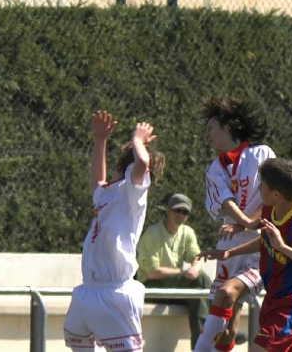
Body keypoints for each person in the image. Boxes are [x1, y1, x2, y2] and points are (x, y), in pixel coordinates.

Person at [198, 157, 292, 352]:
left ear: (276, 194)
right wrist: (230, 252)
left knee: (258, 349)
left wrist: (282, 247)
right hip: (274, 299)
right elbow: (266, 241)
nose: (259, 187)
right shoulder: (271, 208)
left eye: (263, 184)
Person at [63, 111, 166, 351]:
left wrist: (138, 140)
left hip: (114, 292)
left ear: (121, 167)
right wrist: (100, 141)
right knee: (80, 345)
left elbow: (141, 163)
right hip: (88, 290)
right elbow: (96, 182)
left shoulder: (133, 194)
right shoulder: (108, 193)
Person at [194, 97, 276, 352]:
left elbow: (271, 193)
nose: (207, 136)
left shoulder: (261, 153)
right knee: (226, 327)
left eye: (210, 129)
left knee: (227, 294)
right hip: (230, 244)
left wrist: (250, 224)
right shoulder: (214, 169)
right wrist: (245, 221)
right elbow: (226, 202)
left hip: (259, 247)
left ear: (228, 127)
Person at [137, 193, 212, 350]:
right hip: (151, 287)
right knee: (202, 281)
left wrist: (194, 268)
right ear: (168, 210)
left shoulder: (187, 232)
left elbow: (198, 257)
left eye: (185, 212)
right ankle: (221, 330)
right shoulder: (153, 233)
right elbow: (152, 273)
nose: (181, 215)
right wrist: (182, 271)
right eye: (177, 210)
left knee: (199, 296)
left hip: (173, 289)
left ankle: (201, 346)